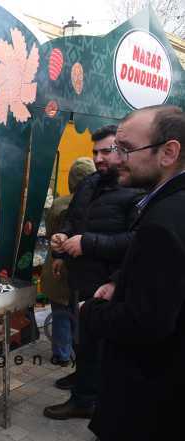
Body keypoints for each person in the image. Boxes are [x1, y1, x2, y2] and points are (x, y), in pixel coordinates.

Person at [81, 105, 185, 441]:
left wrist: (91, 312)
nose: (115, 158)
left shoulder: (164, 219)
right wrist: (118, 281)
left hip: (147, 401)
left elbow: (145, 324)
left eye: (125, 149)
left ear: (168, 152)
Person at [44, 125, 144, 420]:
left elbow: (137, 241)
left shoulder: (136, 188)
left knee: (97, 343)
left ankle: (85, 400)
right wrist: (60, 243)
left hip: (108, 284)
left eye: (106, 151)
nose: (99, 158)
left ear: (123, 150)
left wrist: (87, 243)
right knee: (82, 339)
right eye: (95, 152)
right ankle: (83, 379)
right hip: (81, 279)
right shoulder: (89, 182)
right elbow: (72, 221)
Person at [42, 157, 95, 366]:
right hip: (83, 263)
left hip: (58, 262)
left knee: (60, 310)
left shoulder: (59, 204)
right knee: (77, 309)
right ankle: (75, 348)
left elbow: (50, 232)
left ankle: (61, 354)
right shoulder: (96, 204)